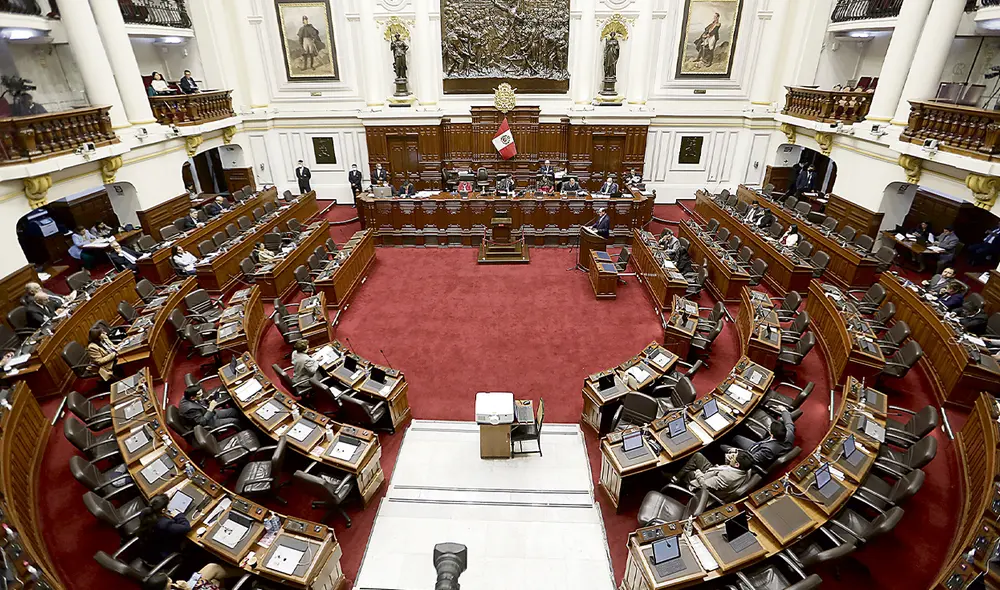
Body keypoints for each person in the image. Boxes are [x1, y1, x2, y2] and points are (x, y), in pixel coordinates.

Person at [723, 409, 795, 468]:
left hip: (751, 453)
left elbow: (752, 460)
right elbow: (789, 423)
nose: (768, 428)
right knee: (737, 437)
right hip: (760, 446)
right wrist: (784, 410)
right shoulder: (789, 433)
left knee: (723, 447)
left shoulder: (768, 451)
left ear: (771, 434)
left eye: (769, 428)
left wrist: (736, 452)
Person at [136, 494, 190, 565]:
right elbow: (186, 527)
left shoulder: (145, 513)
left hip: (147, 550)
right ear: (163, 510)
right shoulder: (164, 524)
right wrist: (178, 515)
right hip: (159, 558)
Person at [673, 449, 753, 496]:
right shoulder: (746, 468)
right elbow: (729, 466)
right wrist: (733, 452)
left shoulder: (726, 477)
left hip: (705, 483)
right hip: (714, 471)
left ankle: (676, 480)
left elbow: (704, 485)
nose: (731, 455)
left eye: (733, 457)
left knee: (690, 473)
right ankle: (677, 477)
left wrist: (698, 472)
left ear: (737, 464)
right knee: (698, 456)